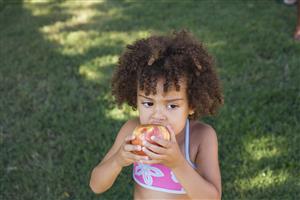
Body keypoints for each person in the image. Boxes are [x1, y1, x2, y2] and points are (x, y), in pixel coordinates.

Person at [89, 30, 224, 199]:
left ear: (192, 105)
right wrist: (118, 160)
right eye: (148, 103)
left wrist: (177, 163)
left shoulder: (201, 137)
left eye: (172, 105)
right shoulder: (132, 130)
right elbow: (96, 185)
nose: (158, 115)